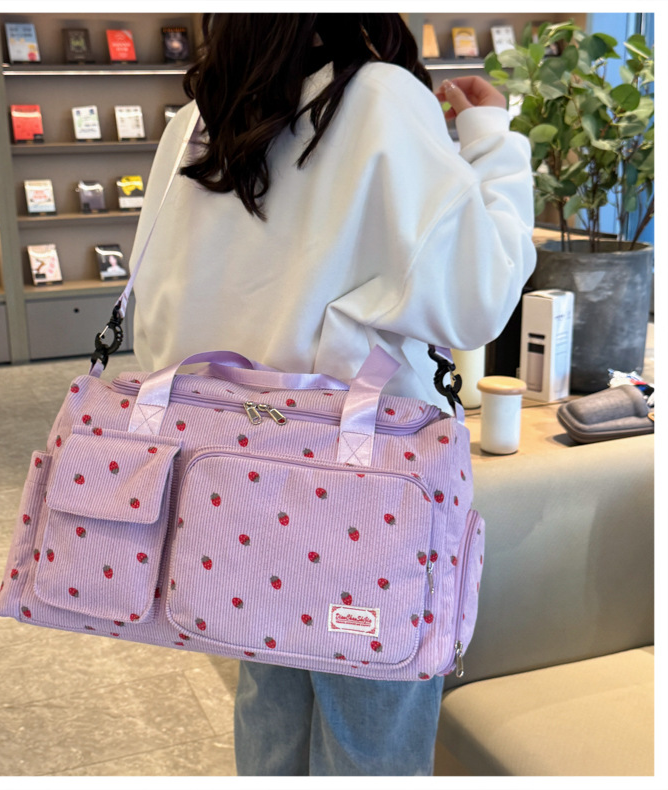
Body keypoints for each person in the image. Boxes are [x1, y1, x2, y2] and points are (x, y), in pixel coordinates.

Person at [128, 12, 535, 777]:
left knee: (270, 700)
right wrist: (491, 141)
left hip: (231, 477)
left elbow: (156, 322)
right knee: (370, 731)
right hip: (363, 489)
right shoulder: (378, 98)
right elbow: (479, 295)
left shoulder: (196, 124)